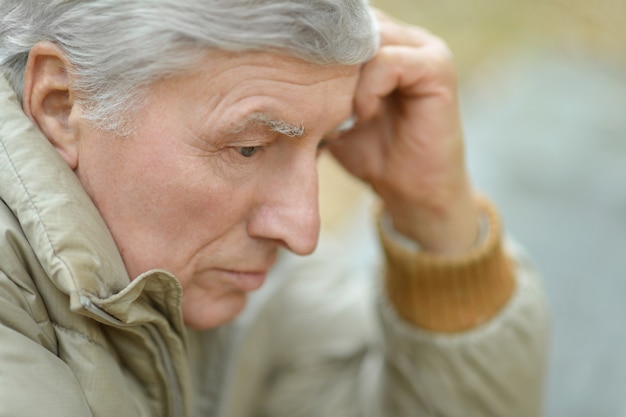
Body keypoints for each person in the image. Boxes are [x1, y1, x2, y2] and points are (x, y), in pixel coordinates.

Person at [0, 1, 549, 416]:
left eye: (327, 143)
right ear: (61, 105)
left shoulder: (228, 269)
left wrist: (434, 214)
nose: (302, 230)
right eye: (249, 148)